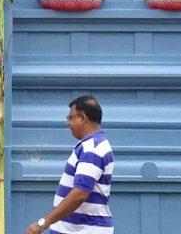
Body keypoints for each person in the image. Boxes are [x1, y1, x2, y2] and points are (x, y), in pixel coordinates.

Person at [22, 96, 113, 234]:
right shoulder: (90, 145)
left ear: (83, 118)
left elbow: (80, 193)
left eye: (71, 118)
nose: (68, 123)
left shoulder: (92, 148)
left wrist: (42, 223)